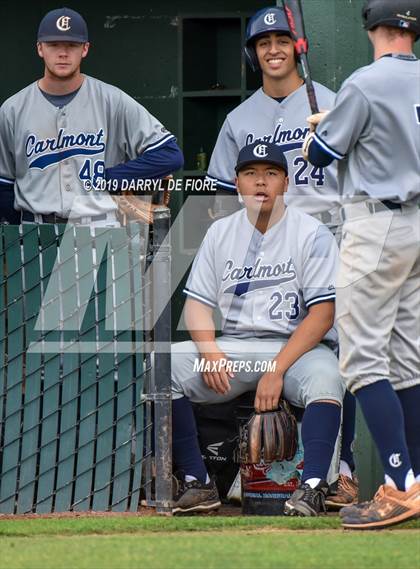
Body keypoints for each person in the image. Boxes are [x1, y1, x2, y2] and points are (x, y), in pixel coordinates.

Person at [207, 5, 358, 509]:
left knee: (342, 354)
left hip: (330, 241)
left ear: (298, 47)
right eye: (261, 42)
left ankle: (343, 471)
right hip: (266, 250)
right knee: (256, 346)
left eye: (281, 39)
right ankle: (248, 471)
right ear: (253, 53)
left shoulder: (333, 105)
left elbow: (361, 179)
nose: (272, 48)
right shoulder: (239, 119)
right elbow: (217, 196)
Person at [170, 141, 345, 515]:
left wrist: (277, 369)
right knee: (163, 367)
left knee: (328, 377)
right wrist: (210, 351)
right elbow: (197, 308)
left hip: (297, 351)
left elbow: (322, 316)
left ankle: (313, 486)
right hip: (234, 350)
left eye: (271, 173)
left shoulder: (312, 233)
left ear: (285, 182)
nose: (260, 182)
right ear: (237, 183)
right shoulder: (220, 233)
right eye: (251, 174)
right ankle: (197, 483)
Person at [304, 0, 420, 529]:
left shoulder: (365, 82)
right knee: (408, 363)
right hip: (417, 226)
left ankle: (398, 484)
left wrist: (319, 130)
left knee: (364, 362)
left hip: (377, 227)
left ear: (374, 28)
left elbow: (321, 155)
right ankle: (415, 479)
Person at [0, 7, 183, 226]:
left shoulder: (112, 100)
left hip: (99, 228)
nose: (63, 53)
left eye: (72, 45)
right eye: (54, 44)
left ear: (85, 49)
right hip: (34, 232)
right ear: (40, 48)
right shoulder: (12, 109)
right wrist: (17, 231)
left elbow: (170, 155)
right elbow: (4, 184)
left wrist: (112, 178)